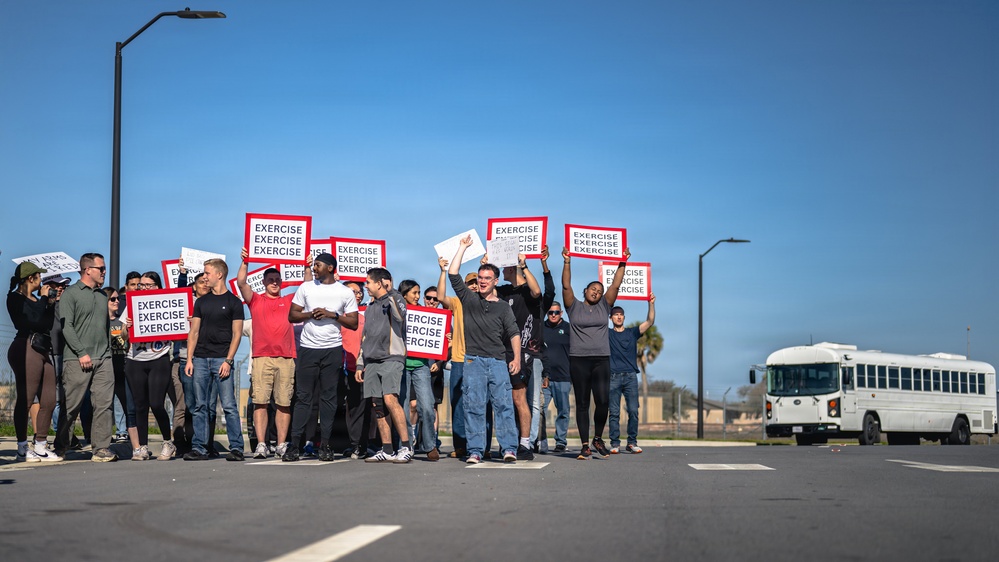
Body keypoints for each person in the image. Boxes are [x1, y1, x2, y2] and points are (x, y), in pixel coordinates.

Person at [448, 235, 521, 464]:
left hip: (498, 362)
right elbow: (453, 274)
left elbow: (514, 333)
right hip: (473, 361)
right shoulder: (469, 300)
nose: (482, 281)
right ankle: (475, 451)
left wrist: (517, 358)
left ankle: (509, 449)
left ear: (495, 281)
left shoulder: (503, 308)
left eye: (487, 278)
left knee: (504, 406)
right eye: (480, 278)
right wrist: (462, 248)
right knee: (474, 406)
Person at [281, 253, 358, 462]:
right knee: (303, 397)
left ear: (330, 268)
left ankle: (325, 445)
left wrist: (333, 315)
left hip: (332, 350)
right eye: (314, 265)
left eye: (318, 265)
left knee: (328, 398)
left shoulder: (344, 292)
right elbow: (292, 315)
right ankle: (294, 445)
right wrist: (311, 314)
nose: (314, 268)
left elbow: (353, 323)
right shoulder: (306, 288)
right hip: (308, 349)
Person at [561, 246, 629, 460]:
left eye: (600, 291)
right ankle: (584, 445)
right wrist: (567, 261)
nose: (597, 292)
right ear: (585, 291)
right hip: (578, 360)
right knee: (582, 403)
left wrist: (623, 262)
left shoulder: (604, 306)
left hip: (601, 360)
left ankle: (597, 438)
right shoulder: (573, 306)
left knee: (603, 401)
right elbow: (566, 285)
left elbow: (615, 284)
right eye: (593, 289)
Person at [54, 253, 117, 462]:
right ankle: (61, 446)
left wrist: (107, 352)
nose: (104, 272)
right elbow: (67, 327)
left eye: (105, 268)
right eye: (101, 268)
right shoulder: (70, 294)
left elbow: (105, 328)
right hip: (77, 359)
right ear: (88, 270)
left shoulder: (102, 296)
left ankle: (101, 449)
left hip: (104, 358)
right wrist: (81, 353)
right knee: (71, 406)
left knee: (104, 405)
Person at [236, 249, 298, 459]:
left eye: (277, 280)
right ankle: (261, 444)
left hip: (286, 358)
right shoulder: (256, 300)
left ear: (281, 282)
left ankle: (281, 444)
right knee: (260, 402)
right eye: (270, 280)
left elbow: (308, 285)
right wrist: (245, 261)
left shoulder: (289, 300)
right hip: (262, 357)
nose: (274, 283)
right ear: (263, 282)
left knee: (284, 403)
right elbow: (241, 282)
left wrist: (307, 266)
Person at [495, 247, 555, 460]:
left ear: (512, 268)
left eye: (504, 267)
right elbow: (485, 291)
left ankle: (526, 444)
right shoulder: (504, 291)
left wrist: (525, 265)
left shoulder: (529, 292)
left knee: (525, 400)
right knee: (507, 400)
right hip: (504, 351)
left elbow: (538, 291)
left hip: (527, 353)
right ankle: (509, 443)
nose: (501, 270)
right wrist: (485, 263)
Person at [183, 258, 245, 461]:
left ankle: (236, 448)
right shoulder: (201, 302)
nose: (204, 277)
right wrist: (190, 359)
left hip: (222, 360)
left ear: (219, 274)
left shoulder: (234, 302)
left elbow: (237, 334)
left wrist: (228, 360)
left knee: (229, 405)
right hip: (200, 359)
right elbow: (194, 332)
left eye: (207, 273)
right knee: (200, 406)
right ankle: (199, 448)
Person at [356, 267, 412, 463]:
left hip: (391, 358)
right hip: (372, 361)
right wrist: (360, 363)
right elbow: (365, 338)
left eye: (368, 282)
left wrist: (390, 292)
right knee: (377, 405)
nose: (366, 286)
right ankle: (387, 449)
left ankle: (406, 447)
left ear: (379, 283)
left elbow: (400, 316)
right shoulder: (370, 307)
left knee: (390, 399)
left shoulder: (395, 299)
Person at [7, 262, 62, 462]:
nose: (42, 281)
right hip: (25, 346)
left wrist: (50, 303)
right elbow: (30, 319)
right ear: (31, 278)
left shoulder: (37, 299)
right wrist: (44, 299)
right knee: (27, 398)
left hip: (42, 348)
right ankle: (22, 447)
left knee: (49, 399)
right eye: (39, 277)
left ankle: (40, 445)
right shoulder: (15, 298)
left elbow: (45, 323)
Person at [121, 271, 176, 461]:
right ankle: (142, 447)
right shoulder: (132, 304)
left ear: (157, 287)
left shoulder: (166, 303)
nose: (143, 288)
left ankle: (168, 442)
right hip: (135, 359)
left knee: (156, 403)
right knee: (140, 405)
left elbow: (177, 325)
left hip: (159, 358)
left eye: (148, 285)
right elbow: (123, 336)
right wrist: (126, 327)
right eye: (141, 285)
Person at [435, 260, 478, 459]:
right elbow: (440, 297)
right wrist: (443, 271)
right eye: (470, 283)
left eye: (476, 283)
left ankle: (482, 444)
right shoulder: (458, 302)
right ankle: (460, 445)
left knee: (480, 403)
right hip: (460, 359)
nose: (474, 286)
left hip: (479, 359)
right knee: (458, 403)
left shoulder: (487, 302)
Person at [608, 294, 656, 454]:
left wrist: (651, 304)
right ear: (611, 318)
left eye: (621, 314)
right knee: (614, 412)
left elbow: (650, 322)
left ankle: (632, 442)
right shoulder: (607, 334)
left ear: (624, 317)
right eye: (616, 314)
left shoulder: (632, 333)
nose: (619, 317)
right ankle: (615, 443)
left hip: (630, 377)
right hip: (613, 377)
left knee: (633, 411)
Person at [105, 286, 140, 454]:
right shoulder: (101, 322)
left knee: (124, 402)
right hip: (107, 368)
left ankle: (123, 432)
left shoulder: (122, 321)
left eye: (118, 298)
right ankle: (103, 436)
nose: (117, 301)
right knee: (105, 404)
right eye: (112, 299)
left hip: (123, 366)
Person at [339, 280, 371, 459]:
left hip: (360, 368)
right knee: (346, 408)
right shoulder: (336, 316)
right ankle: (347, 444)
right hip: (341, 368)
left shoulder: (365, 317)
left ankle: (359, 445)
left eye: (359, 292)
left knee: (360, 408)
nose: (357, 295)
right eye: (353, 292)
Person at [541, 301, 572, 454]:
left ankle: (560, 442)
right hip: (543, 378)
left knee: (563, 411)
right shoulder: (541, 327)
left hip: (563, 377)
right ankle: (540, 442)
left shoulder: (568, 328)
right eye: (550, 312)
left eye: (556, 312)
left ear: (561, 313)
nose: (553, 315)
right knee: (540, 410)